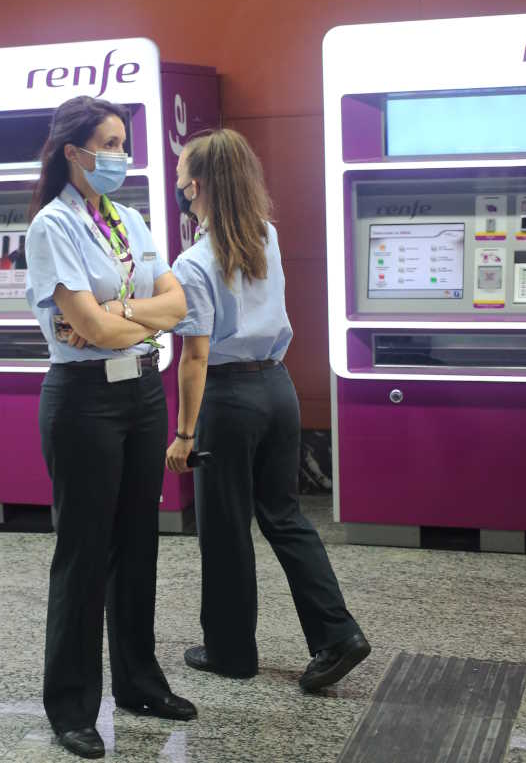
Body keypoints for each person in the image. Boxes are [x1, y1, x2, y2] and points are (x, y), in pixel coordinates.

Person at [164, 129, 370, 692]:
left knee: (225, 528)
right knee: (284, 515)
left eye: (183, 175)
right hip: (278, 389)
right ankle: (338, 634)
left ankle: (231, 651)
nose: (179, 183)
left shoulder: (193, 262)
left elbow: (195, 356)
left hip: (228, 400)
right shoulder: (266, 236)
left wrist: (184, 433)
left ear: (197, 187)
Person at [24, 96, 196, 759]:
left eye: (124, 142)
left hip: (141, 395)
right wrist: (137, 315)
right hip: (84, 402)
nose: (120, 155)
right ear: (74, 151)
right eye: (109, 142)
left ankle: (138, 682)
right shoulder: (52, 226)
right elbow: (87, 329)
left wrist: (123, 310)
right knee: (85, 554)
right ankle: (71, 706)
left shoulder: (128, 216)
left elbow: (176, 302)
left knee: (138, 545)